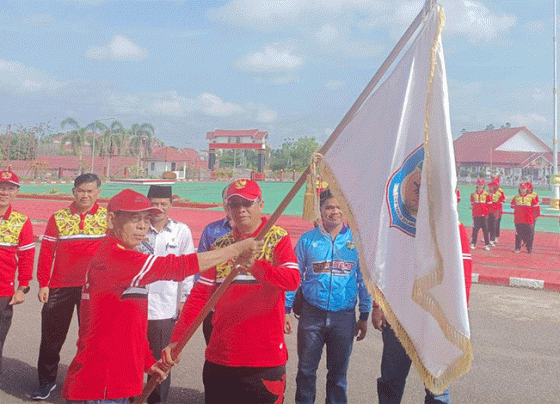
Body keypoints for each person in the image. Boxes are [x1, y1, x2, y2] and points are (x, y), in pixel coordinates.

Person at [61, 188, 261, 404]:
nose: (143, 226)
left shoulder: (127, 258)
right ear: (111, 220)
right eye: (134, 218)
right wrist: (236, 249)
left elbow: (132, 327)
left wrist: (148, 362)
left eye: (146, 219)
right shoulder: (114, 258)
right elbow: (177, 267)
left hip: (116, 382)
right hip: (101, 385)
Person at [165, 179, 300, 404]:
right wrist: (176, 341)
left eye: (247, 203)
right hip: (222, 356)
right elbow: (199, 297)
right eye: (234, 204)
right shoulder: (221, 246)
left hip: (264, 360)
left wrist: (256, 266)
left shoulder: (277, 238)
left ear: (261, 204)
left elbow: (292, 280)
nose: (241, 210)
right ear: (227, 208)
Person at [285, 189, 372, 404]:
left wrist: (364, 314)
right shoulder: (307, 240)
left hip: (343, 316)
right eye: (329, 207)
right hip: (311, 314)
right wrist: (285, 310)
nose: (335, 212)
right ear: (321, 210)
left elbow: (364, 279)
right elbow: (293, 276)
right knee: (306, 371)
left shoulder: (357, 241)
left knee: (338, 375)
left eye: (339, 206)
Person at [373, 221, 472, 403]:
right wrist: (377, 304)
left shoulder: (452, 224)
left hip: (435, 322)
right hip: (398, 318)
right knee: (390, 382)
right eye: (416, 189)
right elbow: (383, 264)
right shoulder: (397, 221)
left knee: (438, 386)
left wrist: (458, 313)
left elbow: (463, 271)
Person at [32, 173, 107, 400]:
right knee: (51, 338)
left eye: (90, 191)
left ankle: (89, 380)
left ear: (98, 193)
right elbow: (46, 253)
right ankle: (46, 382)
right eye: (81, 190)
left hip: (94, 289)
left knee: (93, 338)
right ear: (73, 192)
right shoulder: (59, 217)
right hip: (60, 286)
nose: (85, 195)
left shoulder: (107, 218)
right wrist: (43, 283)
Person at [137, 185, 196, 404]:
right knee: (133, 358)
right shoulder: (138, 227)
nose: (159, 208)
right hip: (136, 304)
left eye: (164, 204)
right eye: (154, 203)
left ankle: (157, 401)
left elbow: (188, 268)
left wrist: (184, 299)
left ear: (171, 204)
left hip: (164, 307)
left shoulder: (181, 231)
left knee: (161, 361)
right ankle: (133, 398)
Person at [0, 170, 34, 374]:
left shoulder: (21, 221)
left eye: (9, 188)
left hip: (3, 292)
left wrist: (23, 288)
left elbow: (27, 257)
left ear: (16, 192)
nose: (4, 192)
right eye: (1, 188)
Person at [196, 185, 233, 345]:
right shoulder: (212, 230)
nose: (238, 208)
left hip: (245, 307)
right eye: (230, 200)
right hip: (214, 306)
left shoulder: (264, 233)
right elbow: (200, 266)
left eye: (243, 202)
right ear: (224, 203)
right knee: (214, 355)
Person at [511, 182, 540, 254]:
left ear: (527, 189)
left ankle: (529, 248)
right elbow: (512, 205)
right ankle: (517, 248)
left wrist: (536, 216)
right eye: (521, 188)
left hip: (528, 219)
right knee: (518, 234)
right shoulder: (516, 197)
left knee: (529, 234)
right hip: (518, 219)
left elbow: (536, 207)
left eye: (524, 188)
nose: (522, 190)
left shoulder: (531, 197)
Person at [469, 178, 490, 251]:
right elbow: (472, 205)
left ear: (484, 185)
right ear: (477, 185)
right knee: (475, 230)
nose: (480, 186)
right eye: (479, 184)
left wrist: (487, 214)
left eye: (482, 184)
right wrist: (473, 214)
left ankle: (487, 244)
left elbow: (489, 205)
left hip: (483, 215)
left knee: (485, 231)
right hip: (476, 215)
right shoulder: (473, 194)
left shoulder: (486, 194)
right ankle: (473, 243)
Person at [487, 181, 505, 246]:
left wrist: (498, 212)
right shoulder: (487, 193)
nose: (489, 187)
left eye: (491, 186)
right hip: (488, 211)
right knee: (488, 225)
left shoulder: (499, 193)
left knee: (494, 225)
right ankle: (488, 238)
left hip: (495, 212)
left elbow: (501, 203)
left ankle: (493, 238)